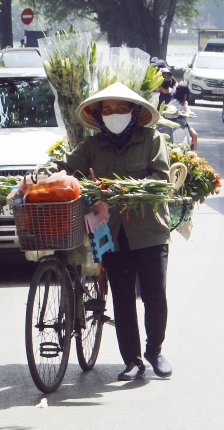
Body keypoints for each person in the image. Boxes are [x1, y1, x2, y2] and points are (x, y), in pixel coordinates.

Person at [58, 81, 172, 381]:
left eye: (121, 109)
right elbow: (68, 169)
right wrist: (46, 176)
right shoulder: (93, 146)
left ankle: (155, 350)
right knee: (121, 297)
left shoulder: (152, 140)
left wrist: (127, 190)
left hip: (149, 230)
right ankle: (133, 360)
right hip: (111, 233)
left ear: (134, 112)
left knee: (154, 295)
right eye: (108, 110)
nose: (114, 114)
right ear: (99, 116)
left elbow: (160, 179)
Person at [169, 82, 197, 151]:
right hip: (173, 123)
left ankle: (194, 153)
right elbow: (169, 108)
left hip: (183, 123)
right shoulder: (174, 102)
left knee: (194, 135)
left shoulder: (185, 103)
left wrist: (190, 113)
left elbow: (187, 110)